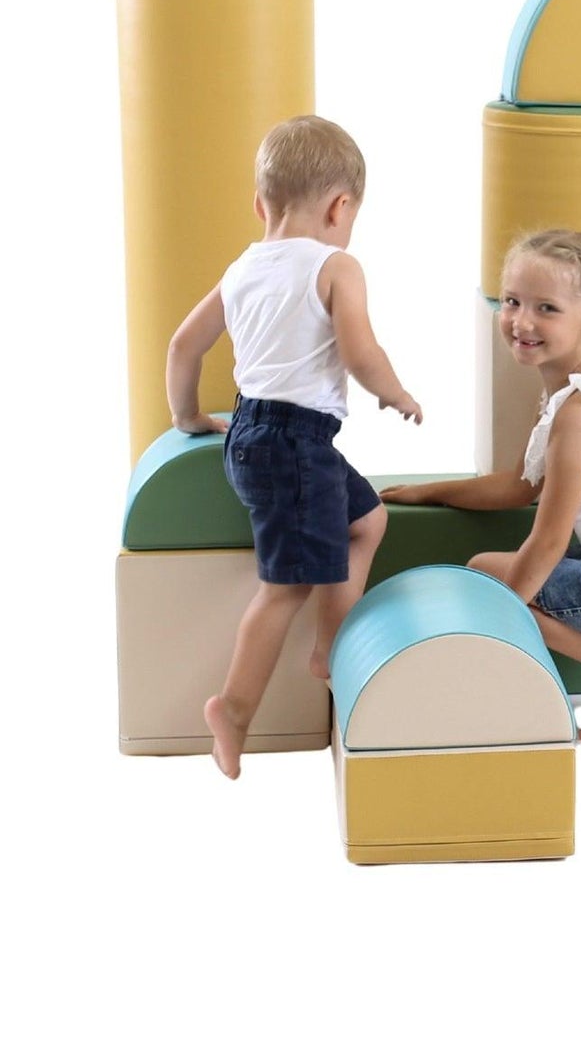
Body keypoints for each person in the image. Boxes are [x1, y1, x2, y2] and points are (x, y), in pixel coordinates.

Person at [380, 229, 581, 745]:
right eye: (512, 301)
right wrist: (428, 491)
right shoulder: (577, 397)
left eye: (547, 308)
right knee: (503, 573)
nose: (522, 321)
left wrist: (495, 617)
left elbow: (549, 540)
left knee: (484, 573)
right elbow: (518, 487)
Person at [166, 115, 422, 779]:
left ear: (261, 204)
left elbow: (183, 345)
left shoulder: (242, 268)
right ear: (341, 207)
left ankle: (329, 644)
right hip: (294, 445)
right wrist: (394, 393)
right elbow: (361, 352)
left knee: (367, 520)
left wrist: (190, 414)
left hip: (255, 433)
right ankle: (235, 708)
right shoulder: (336, 266)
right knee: (285, 587)